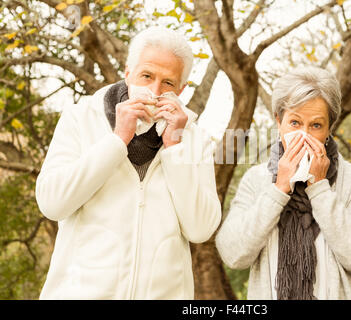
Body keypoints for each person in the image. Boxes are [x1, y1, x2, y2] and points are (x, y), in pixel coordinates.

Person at [35, 27, 221, 299]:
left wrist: (175, 148)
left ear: (181, 89)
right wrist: (117, 141)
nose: (155, 91)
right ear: (128, 73)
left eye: (168, 83)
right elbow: (52, 203)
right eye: (146, 76)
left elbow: (201, 229)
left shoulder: (196, 140)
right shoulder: (80, 117)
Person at [215, 66, 351, 300]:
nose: (304, 135)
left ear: (328, 129)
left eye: (315, 125)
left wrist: (320, 188)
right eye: (295, 123)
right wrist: (278, 189)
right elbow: (233, 255)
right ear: (279, 121)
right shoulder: (256, 180)